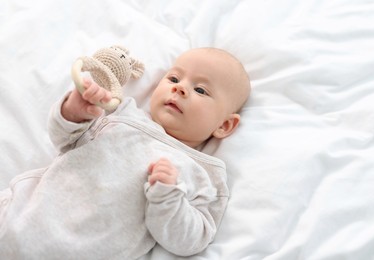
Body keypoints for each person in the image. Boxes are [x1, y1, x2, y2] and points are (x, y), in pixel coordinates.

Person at [0, 47, 250, 259]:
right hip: (19, 218)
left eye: (201, 90)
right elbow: (66, 139)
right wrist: (74, 112)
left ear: (224, 125)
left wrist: (168, 198)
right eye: (174, 79)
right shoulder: (122, 114)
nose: (180, 89)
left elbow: (191, 241)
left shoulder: (203, 173)